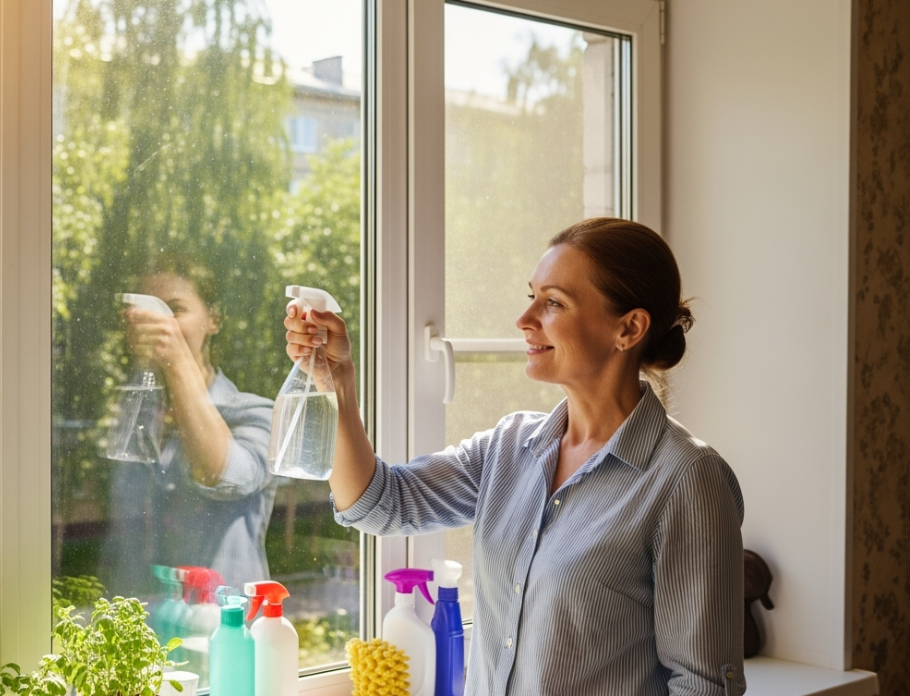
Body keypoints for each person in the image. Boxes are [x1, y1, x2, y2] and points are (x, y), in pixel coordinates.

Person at [284, 218, 746, 696]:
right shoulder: (508, 449)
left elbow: (705, 687)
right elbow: (378, 503)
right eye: (532, 297)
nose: (525, 321)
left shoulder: (686, 479)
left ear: (628, 328)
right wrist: (337, 381)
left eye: (554, 303)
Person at [101, 255, 276, 598]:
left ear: (214, 319)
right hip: (135, 632)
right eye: (148, 310)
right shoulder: (134, 418)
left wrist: (176, 359)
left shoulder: (255, 414)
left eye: (175, 309)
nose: (159, 321)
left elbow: (223, 475)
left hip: (220, 634)